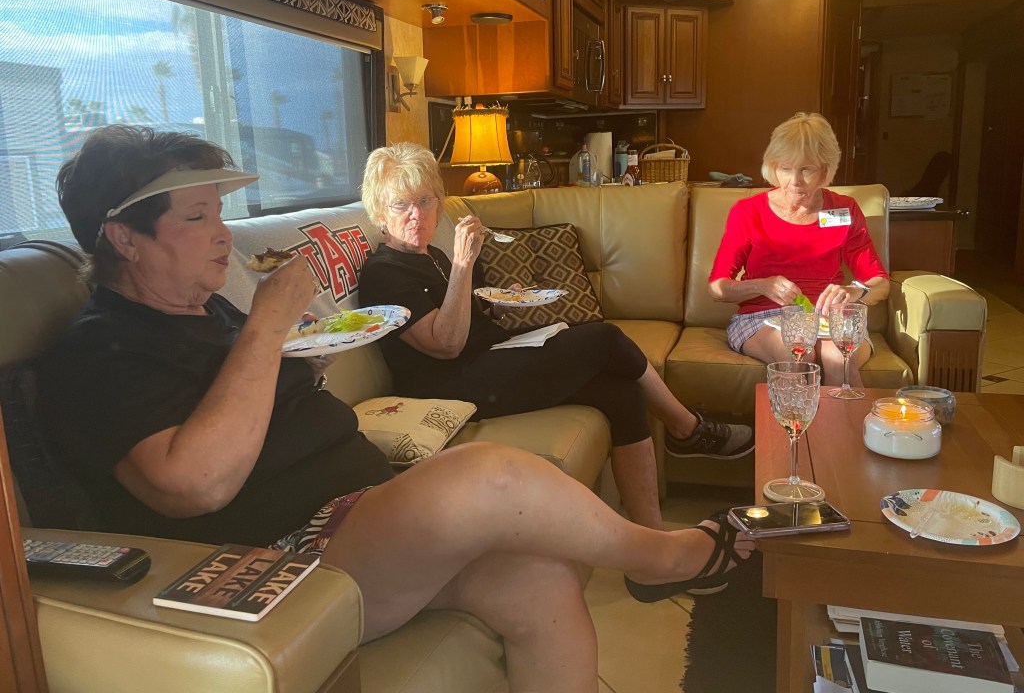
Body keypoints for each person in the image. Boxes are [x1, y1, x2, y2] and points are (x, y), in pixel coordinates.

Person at [37, 125, 754, 692]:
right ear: (124, 238)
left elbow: (254, 406)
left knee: (540, 579)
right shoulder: (97, 350)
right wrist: (267, 324)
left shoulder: (208, 314)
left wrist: (297, 356)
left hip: (355, 512)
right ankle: (661, 556)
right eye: (198, 217)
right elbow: (194, 484)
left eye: (220, 214)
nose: (223, 234)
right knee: (486, 475)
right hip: (277, 556)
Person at [357, 142, 754, 531]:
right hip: (451, 386)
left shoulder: (432, 256)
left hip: (487, 358)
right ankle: (687, 429)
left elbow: (466, 317)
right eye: (401, 205)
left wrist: (501, 303)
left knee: (621, 393)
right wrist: (464, 264)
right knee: (603, 338)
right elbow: (446, 345)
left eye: (425, 201)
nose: (416, 214)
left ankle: (651, 536)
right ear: (380, 213)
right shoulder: (385, 272)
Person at [707, 112, 890, 386]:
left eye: (806, 169)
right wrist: (762, 286)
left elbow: (880, 283)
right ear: (773, 167)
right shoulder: (748, 212)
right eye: (785, 168)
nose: (794, 181)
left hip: (828, 318)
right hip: (764, 318)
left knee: (839, 359)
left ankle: (848, 417)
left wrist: (854, 292)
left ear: (825, 170)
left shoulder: (843, 210)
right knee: (797, 352)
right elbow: (717, 287)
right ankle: (795, 417)